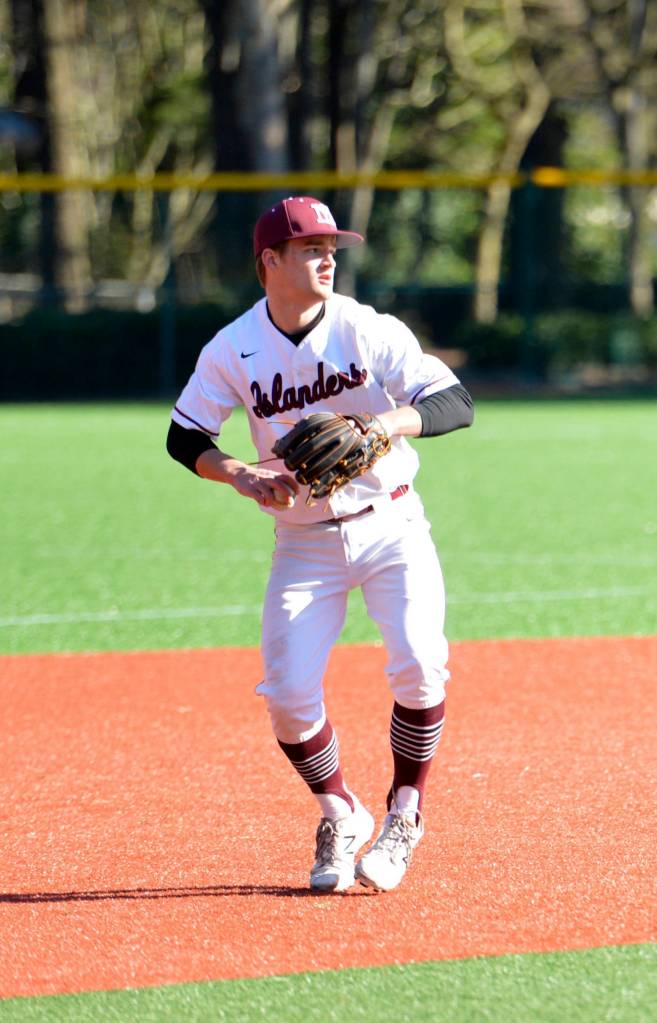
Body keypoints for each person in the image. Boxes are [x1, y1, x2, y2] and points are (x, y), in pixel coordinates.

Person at [167, 196, 474, 893]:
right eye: (309, 248)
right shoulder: (232, 347)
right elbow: (184, 436)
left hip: (391, 522)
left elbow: (454, 402)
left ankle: (404, 810)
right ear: (268, 262)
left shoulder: (367, 329)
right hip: (301, 540)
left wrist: (388, 425)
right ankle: (339, 807)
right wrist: (239, 473)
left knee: (421, 664)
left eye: (331, 246)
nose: (327, 257)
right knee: (287, 694)